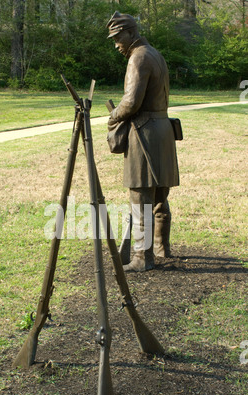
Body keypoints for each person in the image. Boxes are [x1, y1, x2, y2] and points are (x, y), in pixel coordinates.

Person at [106, 11, 179, 272]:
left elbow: (131, 102)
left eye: (118, 38)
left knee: (140, 197)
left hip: (145, 134)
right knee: (160, 195)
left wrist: (114, 116)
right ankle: (161, 248)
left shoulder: (138, 58)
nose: (116, 45)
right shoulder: (155, 53)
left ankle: (142, 257)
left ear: (131, 32)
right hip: (162, 131)